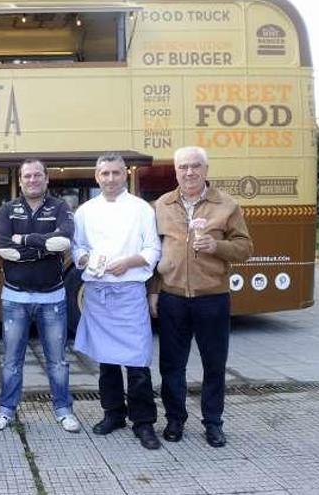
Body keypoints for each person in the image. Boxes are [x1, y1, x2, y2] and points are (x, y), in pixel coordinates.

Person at [149, 146, 253, 448]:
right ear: (176, 171)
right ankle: (175, 420)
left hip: (212, 298)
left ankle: (213, 422)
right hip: (172, 297)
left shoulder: (226, 205)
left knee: (214, 364)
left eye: (196, 166)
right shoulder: (162, 205)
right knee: (171, 365)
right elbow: (155, 252)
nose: (190, 172)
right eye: (183, 167)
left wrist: (217, 247)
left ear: (206, 170)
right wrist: (154, 292)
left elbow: (245, 248)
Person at [72, 154, 162, 450]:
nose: (110, 179)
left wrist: (130, 262)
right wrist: (84, 258)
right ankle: (113, 414)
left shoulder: (141, 209)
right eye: (104, 173)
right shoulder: (85, 211)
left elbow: (152, 248)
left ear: (125, 174)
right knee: (106, 361)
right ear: (96, 176)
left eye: (115, 173)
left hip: (128, 290)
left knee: (137, 361)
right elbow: (78, 247)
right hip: (99, 292)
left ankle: (144, 421)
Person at [0, 158, 81, 433]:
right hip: (15, 298)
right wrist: (44, 246)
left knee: (58, 361)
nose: (32, 180)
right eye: (27, 176)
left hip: (52, 298)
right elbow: (4, 248)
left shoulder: (60, 206)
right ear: (21, 179)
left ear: (46, 179)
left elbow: (64, 242)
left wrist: (25, 240)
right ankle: (6, 410)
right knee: (11, 361)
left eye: (37, 175)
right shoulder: (8, 209)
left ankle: (63, 410)